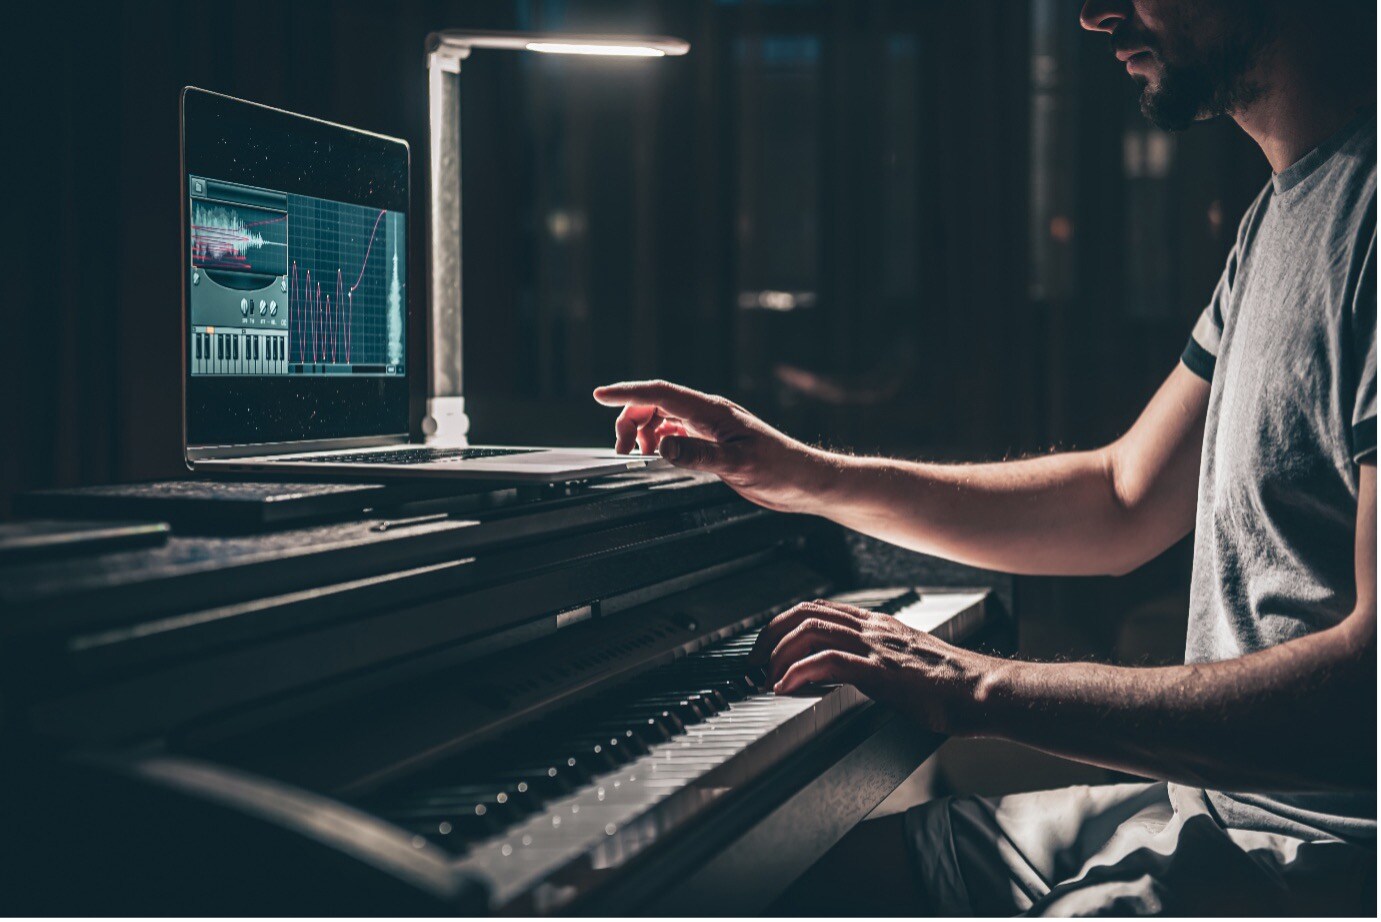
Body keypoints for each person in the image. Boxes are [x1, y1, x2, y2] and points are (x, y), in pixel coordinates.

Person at [593, 0, 1376, 914]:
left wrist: (975, 686)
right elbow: (1122, 497)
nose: (1094, 14)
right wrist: (805, 474)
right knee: (760, 884)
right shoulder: (1283, 213)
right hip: (1200, 811)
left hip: (1315, 862)